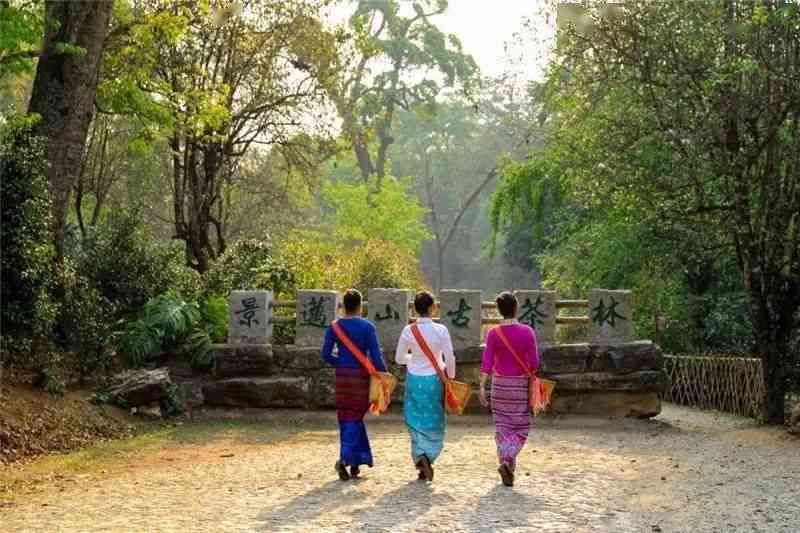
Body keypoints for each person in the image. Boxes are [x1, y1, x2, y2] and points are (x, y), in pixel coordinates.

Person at [321, 288, 387, 481]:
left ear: (342, 306)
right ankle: (345, 458)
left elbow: (325, 354)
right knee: (356, 417)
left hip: (342, 377)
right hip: (360, 377)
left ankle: (356, 461)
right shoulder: (367, 327)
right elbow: (376, 356)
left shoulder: (334, 327)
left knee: (346, 417)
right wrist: (383, 375)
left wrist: (340, 362)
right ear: (360, 306)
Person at [479, 291, 540, 487]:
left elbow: (487, 362)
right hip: (519, 386)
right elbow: (534, 363)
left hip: (499, 386)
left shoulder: (493, 333)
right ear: (516, 308)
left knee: (502, 428)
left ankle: (507, 466)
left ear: (499, 310)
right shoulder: (527, 332)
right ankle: (507, 459)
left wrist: (481, 387)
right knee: (521, 427)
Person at [395, 290, 456, 482]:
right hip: (434, 380)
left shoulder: (408, 330)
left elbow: (399, 358)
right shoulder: (441, 330)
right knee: (434, 419)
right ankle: (428, 456)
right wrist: (451, 377)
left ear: (415, 308)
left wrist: (414, 358)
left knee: (414, 418)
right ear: (432, 308)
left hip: (414, 378)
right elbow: (450, 357)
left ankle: (420, 455)